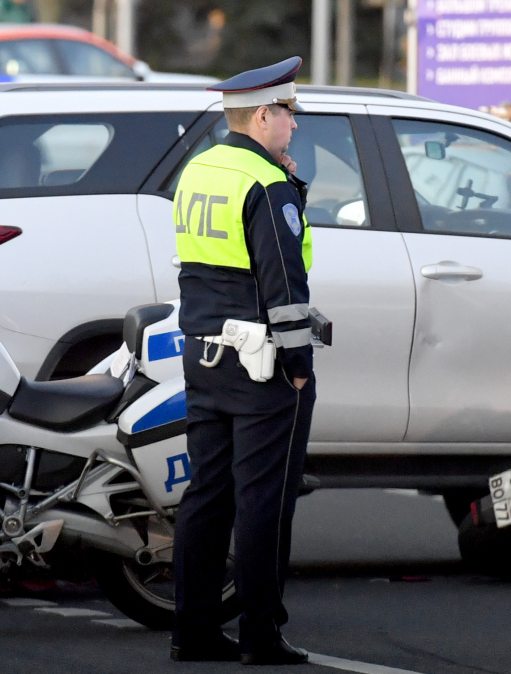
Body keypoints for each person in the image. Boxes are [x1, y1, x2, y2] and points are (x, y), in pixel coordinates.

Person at [170, 56, 316, 666]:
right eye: (288, 114)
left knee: (206, 494)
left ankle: (193, 631)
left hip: (204, 355)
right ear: (263, 115)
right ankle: (261, 635)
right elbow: (283, 282)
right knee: (264, 498)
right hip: (262, 362)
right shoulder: (266, 183)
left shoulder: (198, 169)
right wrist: (299, 362)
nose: (294, 127)